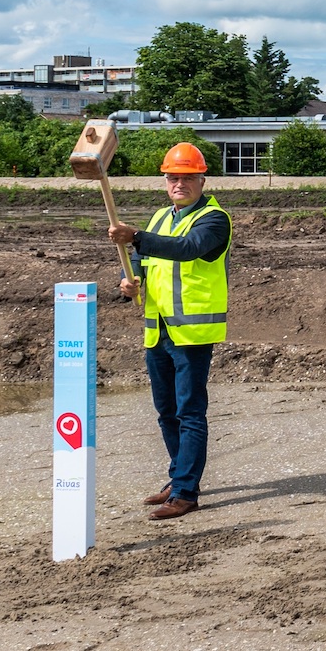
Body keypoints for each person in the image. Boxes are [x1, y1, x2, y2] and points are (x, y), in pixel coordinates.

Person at [107, 142, 230, 521]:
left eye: (187, 178)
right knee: (166, 411)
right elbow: (144, 262)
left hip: (192, 332)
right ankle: (178, 477)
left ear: (202, 180)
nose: (180, 184)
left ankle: (186, 493)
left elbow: (188, 248)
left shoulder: (214, 219)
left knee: (190, 411)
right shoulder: (161, 217)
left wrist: (136, 237)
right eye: (174, 178)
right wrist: (131, 281)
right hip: (157, 329)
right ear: (165, 181)